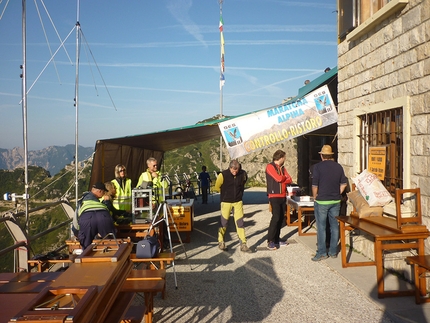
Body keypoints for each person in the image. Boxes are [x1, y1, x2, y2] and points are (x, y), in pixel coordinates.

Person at [311, 145, 347, 261]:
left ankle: (322, 252)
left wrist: (315, 196)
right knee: (334, 226)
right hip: (336, 200)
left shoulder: (317, 167)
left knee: (321, 227)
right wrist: (338, 192)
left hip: (322, 201)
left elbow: (315, 185)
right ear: (331, 155)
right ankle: (333, 252)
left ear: (321, 155)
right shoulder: (338, 167)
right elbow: (344, 184)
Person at [214, 160, 252, 253]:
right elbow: (217, 187)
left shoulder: (242, 174)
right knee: (224, 222)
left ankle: (243, 244)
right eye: (233, 170)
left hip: (238, 201)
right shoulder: (222, 175)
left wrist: (240, 194)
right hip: (226, 202)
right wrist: (225, 194)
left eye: (237, 170)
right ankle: (221, 241)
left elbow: (243, 183)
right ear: (230, 168)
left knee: (240, 223)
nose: (235, 172)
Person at [265, 149, 293, 250]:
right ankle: (270, 240)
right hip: (274, 195)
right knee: (276, 217)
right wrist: (284, 178)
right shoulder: (270, 166)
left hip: (282, 195)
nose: (285, 159)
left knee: (281, 217)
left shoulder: (282, 168)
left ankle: (277, 238)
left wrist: (284, 179)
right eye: (284, 158)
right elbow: (278, 178)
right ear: (281, 158)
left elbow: (290, 179)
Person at [78, 182, 116, 250]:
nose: (104, 193)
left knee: (86, 246)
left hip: (86, 216)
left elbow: (76, 222)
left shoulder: (82, 200)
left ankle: (86, 257)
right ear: (99, 191)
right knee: (111, 243)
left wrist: (78, 233)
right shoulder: (101, 202)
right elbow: (110, 212)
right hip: (103, 215)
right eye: (103, 192)